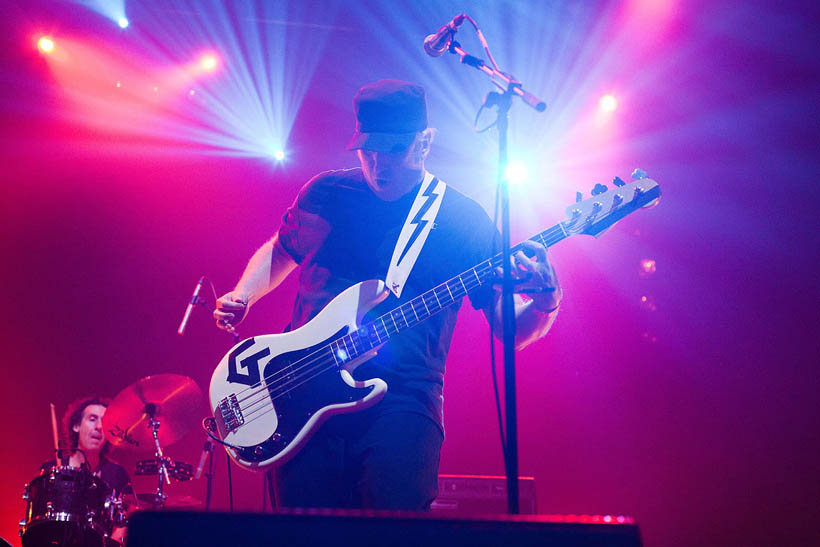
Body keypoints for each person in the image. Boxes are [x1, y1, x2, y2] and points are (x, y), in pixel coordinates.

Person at [214, 79, 562, 511]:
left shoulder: (463, 219)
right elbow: (283, 251)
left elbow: (509, 329)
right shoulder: (328, 192)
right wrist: (244, 293)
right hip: (300, 386)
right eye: (368, 152)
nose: (379, 166)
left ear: (426, 142)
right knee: (301, 533)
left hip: (403, 399)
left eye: (394, 150)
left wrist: (547, 302)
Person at [41, 397, 132, 542]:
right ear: (76, 426)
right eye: (92, 419)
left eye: (104, 422)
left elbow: (126, 521)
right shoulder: (52, 469)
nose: (99, 427)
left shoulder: (117, 474)